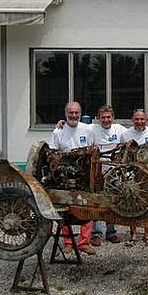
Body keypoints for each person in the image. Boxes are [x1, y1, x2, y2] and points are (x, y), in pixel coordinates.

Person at [48, 101, 96, 255]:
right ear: (66, 113)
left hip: (84, 174)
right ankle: (68, 242)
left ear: (80, 113)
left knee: (87, 207)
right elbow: (52, 152)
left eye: (76, 112)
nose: (74, 115)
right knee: (65, 208)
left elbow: (95, 149)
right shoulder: (58, 131)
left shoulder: (88, 129)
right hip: (64, 176)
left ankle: (84, 242)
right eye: (71, 112)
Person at [90, 105, 128, 247]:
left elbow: (136, 133)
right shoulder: (91, 129)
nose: (106, 120)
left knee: (112, 201)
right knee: (96, 201)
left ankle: (111, 232)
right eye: (103, 117)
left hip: (114, 172)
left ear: (112, 117)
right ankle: (96, 233)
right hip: (97, 171)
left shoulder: (120, 129)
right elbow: (76, 127)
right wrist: (60, 123)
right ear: (98, 118)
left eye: (108, 117)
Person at [120, 109, 148, 246]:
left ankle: (147, 233)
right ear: (132, 120)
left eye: (142, 119)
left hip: (147, 173)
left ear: (147, 120)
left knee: (147, 202)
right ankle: (133, 233)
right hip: (131, 172)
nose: (139, 122)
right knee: (132, 203)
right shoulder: (126, 134)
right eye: (137, 119)